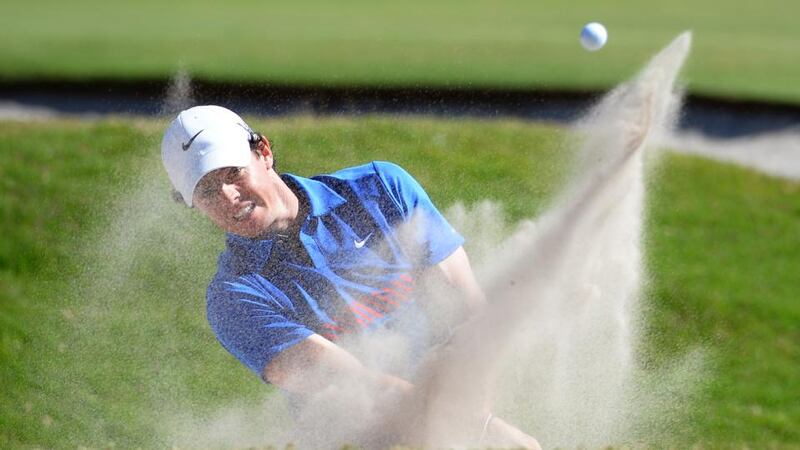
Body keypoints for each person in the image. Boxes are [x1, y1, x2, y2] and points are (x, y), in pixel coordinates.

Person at [161, 105, 540, 449]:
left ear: (263, 152)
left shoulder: (380, 190)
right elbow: (354, 387)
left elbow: (467, 313)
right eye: (207, 191)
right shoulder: (234, 298)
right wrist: (477, 431)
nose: (228, 196)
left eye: (233, 173)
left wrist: (470, 425)